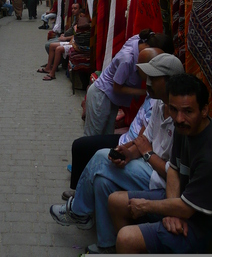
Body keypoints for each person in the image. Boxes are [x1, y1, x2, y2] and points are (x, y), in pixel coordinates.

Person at [49, 53, 185, 254]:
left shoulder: (180, 118)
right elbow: (144, 141)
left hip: (161, 182)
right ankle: (107, 245)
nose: (148, 83)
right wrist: (129, 154)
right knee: (103, 181)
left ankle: (78, 211)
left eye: (154, 79)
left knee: (100, 158)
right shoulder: (158, 104)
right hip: (148, 169)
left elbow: (172, 172)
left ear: (169, 82)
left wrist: (147, 155)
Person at [109, 74, 211, 254]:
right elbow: (173, 170)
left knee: (126, 238)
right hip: (181, 203)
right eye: (173, 109)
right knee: (115, 201)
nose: (179, 118)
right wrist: (172, 211)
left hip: (202, 226)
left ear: (204, 110)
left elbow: (187, 209)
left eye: (188, 111)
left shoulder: (209, 153)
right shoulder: (183, 128)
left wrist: (146, 206)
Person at [63, 47, 164, 197]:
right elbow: (143, 139)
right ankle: (81, 192)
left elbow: (143, 141)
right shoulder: (153, 96)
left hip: (134, 147)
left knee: (93, 153)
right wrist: (128, 150)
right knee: (85, 145)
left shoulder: (159, 103)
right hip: (129, 140)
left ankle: (80, 198)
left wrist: (127, 150)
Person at [84, 29, 174, 136]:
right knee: (93, 136)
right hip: (101, 95)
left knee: (106, 135)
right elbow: (116, 87)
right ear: (151, 49)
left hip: (112, 99)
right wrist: (146, 91)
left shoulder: (139, 40)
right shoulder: (127, 59)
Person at [40, 11, 90, 80]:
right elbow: (74, 36)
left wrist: (69, 40)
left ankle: (52, 73)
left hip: (75, 45)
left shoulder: (85, 27)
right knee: (51, 45)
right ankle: (48, 67)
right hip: (73, 43)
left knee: (58, 49)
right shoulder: (77, 24)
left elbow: (77, 41)